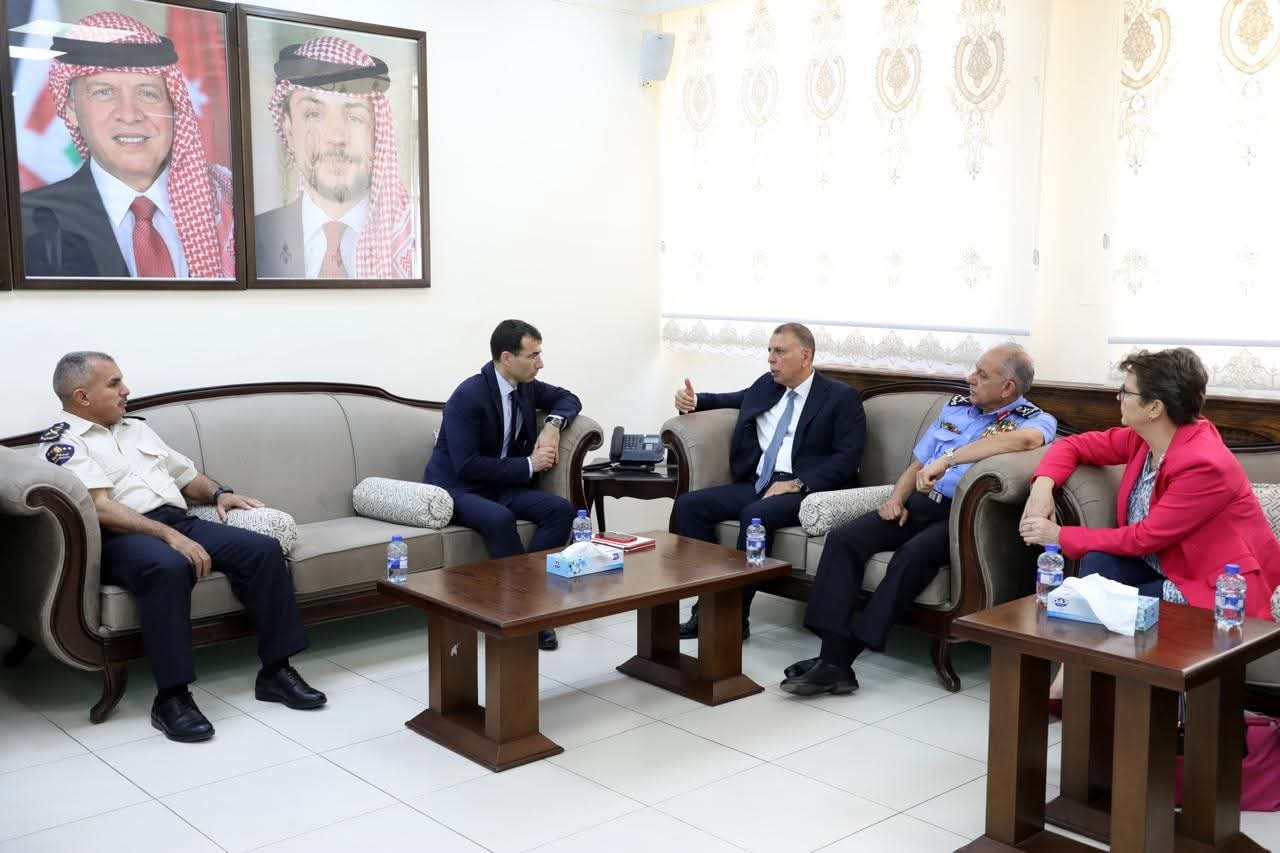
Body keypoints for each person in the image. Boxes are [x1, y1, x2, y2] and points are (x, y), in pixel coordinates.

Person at [38, 352, 324, 743]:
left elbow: (186, 476)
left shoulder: (136, 429)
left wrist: (220, 493)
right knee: (168, 567)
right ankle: (172, 698)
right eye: (114, 383)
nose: (126, 390)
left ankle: (276, 672)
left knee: (262, 550)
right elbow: (100, 507)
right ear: (82, 396)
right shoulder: (63, 442)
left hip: (178, 521)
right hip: (120, 538)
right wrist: (169, 537)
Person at [783, 344, 1057, 696]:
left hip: (961, 521)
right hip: (921, 505)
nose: (970, 378)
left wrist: (950, 459)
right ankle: (832, 657)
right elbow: (917, 464)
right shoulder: (956, 408)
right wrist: (896, 499)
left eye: (981, 374)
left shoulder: (1034, 420)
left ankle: (840, 659)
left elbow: (1026, 441)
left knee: (911, 556)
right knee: (844, 539)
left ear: (1007, 387)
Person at [1020, 348, 1280, 700]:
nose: (1118, 398)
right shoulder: (1145, 440)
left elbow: (1144, 538)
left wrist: (1059, 535)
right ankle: (1073, 686)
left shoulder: (1204, 464)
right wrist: (1042, 487)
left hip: (1210, 585)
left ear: (1155, 408)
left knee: (1108, 605)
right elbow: (1074, 446)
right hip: (1162, 566)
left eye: (1126, 392)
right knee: (1099, 568)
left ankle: (1080, 694)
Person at [672, 323, 867, 640]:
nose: (771, 359)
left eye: (779, 352)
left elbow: (847, 459)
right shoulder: (768, 385)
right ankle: (708, 605)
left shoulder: (839, 397)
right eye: (769, 351)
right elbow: (733, 398)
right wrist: (694, 401)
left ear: (805, 356)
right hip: (761, 483)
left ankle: (735, 617)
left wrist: (798, 483)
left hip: (807, 491)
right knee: (689, 506)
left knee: (755, 515)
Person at [19, 12, 235, 279]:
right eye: (104, 92)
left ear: (173, 105)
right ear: (71, 110)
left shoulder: (229, 207)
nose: (130, 114)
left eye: (147, 93)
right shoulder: (24, 222)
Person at [424, 320, 580, 650]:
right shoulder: (468, 396)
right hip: (457, 488)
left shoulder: (526, 387)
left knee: (560, 510)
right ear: (507, 358)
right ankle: (525, 614)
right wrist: (529, 465)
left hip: (500, 485)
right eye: (533, 356)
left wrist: (552, 425)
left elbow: (568, 398)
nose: (540, 363)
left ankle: (534, 600)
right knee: (499, 518)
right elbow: (466, 465)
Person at [255, 36, 415, 279]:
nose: (336, 137)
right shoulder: (254, 237)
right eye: (314, 114)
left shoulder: (408, 239)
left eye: (354, 117)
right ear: (288, 130)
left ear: (376, 133)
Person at [23, 207, 99, 276]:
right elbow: (28, 271)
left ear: (55, 220)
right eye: (37, 221)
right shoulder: (31, 243)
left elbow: (92, 271)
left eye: (44, 219)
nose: (41, 223)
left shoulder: (77, 240)